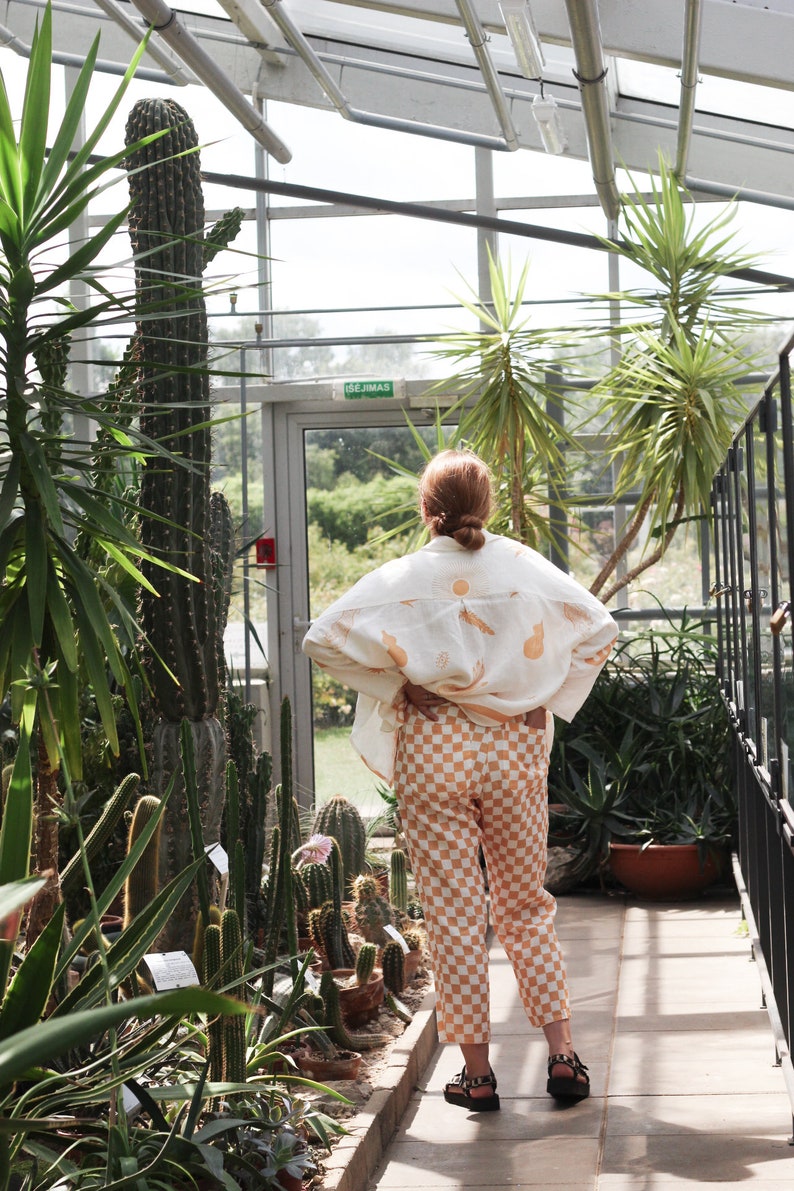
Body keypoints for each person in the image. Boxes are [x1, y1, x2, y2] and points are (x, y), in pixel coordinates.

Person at [302, 449, 617, 1112]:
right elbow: (599, 628)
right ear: (488, 504)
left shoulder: (404, 574)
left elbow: (321, 638)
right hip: (513, 745)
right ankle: (562, 1054)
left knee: (454, 910)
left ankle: (477, 1074)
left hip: (435, 745)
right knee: (525, 902)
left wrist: (400, 683)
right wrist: (547, 697)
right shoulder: (522, 566)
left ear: (428, 509)